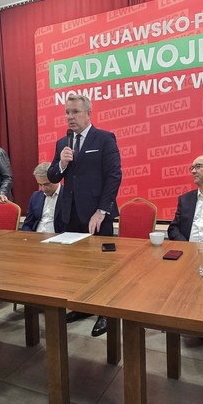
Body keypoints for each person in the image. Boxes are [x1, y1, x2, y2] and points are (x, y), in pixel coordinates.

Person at [48, 94, 122, 337]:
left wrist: (102, 211)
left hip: (96, 214)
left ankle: (105, 312)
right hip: (70, 212)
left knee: (102, 265)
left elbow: (114, 176)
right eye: (67, 112)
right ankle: (82, 306)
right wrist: (61, 163)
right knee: (77, 264)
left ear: (88, 113)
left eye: (76, 112)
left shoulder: (104, 138)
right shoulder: (63, 143)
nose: (70, 117)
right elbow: (52, 176)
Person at [21, 162, 62, 233]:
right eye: (40, 184)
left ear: (56, 179)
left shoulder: (69, 196)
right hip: (36, 236)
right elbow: (27, 225)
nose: (43, 189)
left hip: (58, 236)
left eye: (46, 184)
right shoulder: (35, 196)